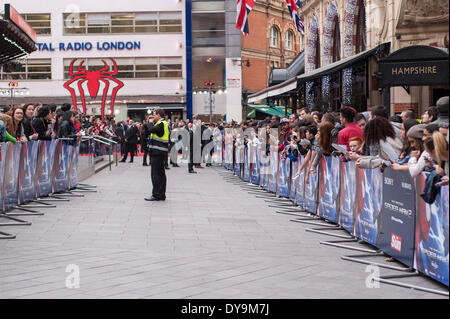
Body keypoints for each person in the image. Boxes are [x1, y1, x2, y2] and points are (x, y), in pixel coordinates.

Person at [145, 109, 170, 201]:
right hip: (160, 152)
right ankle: (161, 194)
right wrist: (149, 122)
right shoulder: (162, 124)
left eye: (154, 115)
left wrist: (150, 122)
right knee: (161, 174)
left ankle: (156, 195)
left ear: (159, 115)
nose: (153, 117)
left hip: (157, 152)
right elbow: (148, 130)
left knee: (155, 174)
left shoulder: (161, 124)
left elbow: (150, 129)